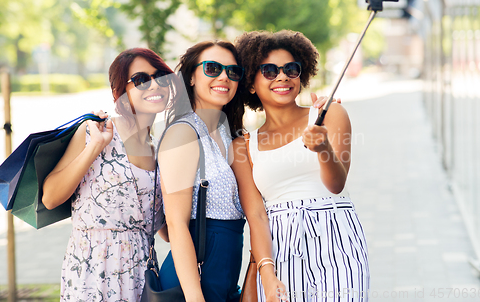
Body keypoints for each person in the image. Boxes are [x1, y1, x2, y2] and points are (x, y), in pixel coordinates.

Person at [232, 30, 370, 302]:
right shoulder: (244, 144)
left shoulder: (329, 115)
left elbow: (336, 184)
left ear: (301, 75)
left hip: (336, 235)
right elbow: (257, 217)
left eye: (290, 69)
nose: (282, 76)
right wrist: (268, 275)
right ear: (250, 83)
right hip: (280, 246)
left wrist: (323, 149)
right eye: (269, 71)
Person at [42, 48, 178, 301]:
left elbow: (168, 230)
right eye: (141, 80)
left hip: (141, 275)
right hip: (91, 272)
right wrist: (95, 146)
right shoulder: (95, 132)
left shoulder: (161, 149)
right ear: (121, 90)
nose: (154, 85)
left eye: (161, 77)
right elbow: (50, 197)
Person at [157, 40, 254, 302]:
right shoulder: (183, 134)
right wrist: (194, 297)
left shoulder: (227, 131)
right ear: (190, 77)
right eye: (212, 68)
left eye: (233, 72)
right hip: (195, 278)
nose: (224, 76)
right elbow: (176, 225)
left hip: (224, 271)